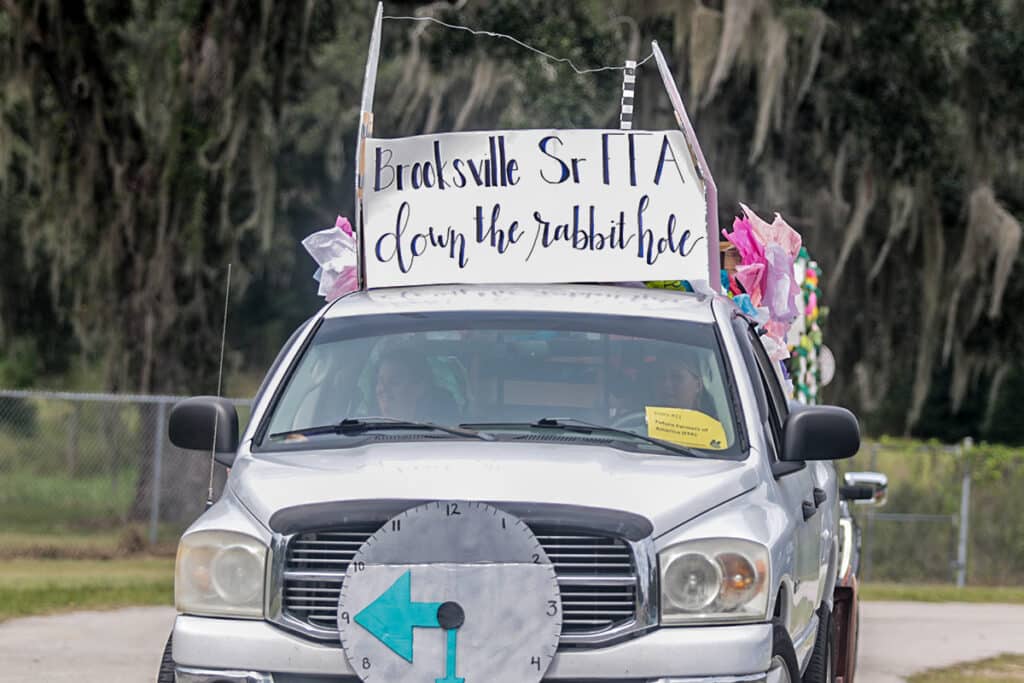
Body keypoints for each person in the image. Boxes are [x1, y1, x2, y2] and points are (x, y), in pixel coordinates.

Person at [372, 349, 459, 423]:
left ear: (420, 387)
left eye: (394, 382)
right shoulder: (365, 430)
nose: (383, 390)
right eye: (380, 381)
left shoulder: (445, 435)